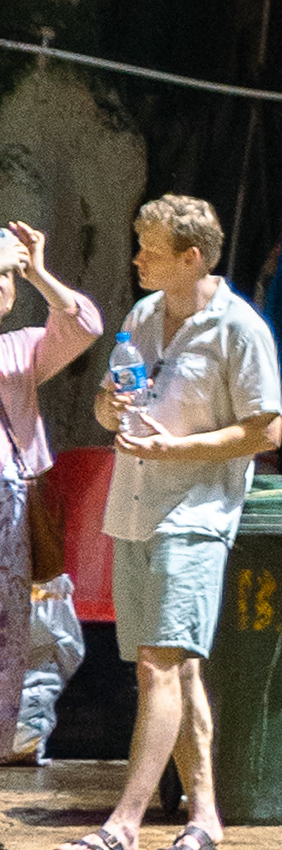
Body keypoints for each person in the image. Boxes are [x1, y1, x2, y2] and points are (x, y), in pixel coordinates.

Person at [56, 194, 282, 850]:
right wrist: (106, 406)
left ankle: (122, 826)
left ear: (190, 258)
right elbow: (112, 402)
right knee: (177, 670)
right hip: (136, 507)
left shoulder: (239, 329)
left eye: (149, 250)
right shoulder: (142, 316)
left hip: (196, 514)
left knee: (158, 662)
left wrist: (177, 453)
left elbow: (266, 430)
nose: (137, 259)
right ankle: (204, 819)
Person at [0, 216, 102, 772]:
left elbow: (83, 324)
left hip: (15, 520)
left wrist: (37, 272)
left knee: (13, 656)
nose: (0, 285)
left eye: (4, 279)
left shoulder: (19, 350)